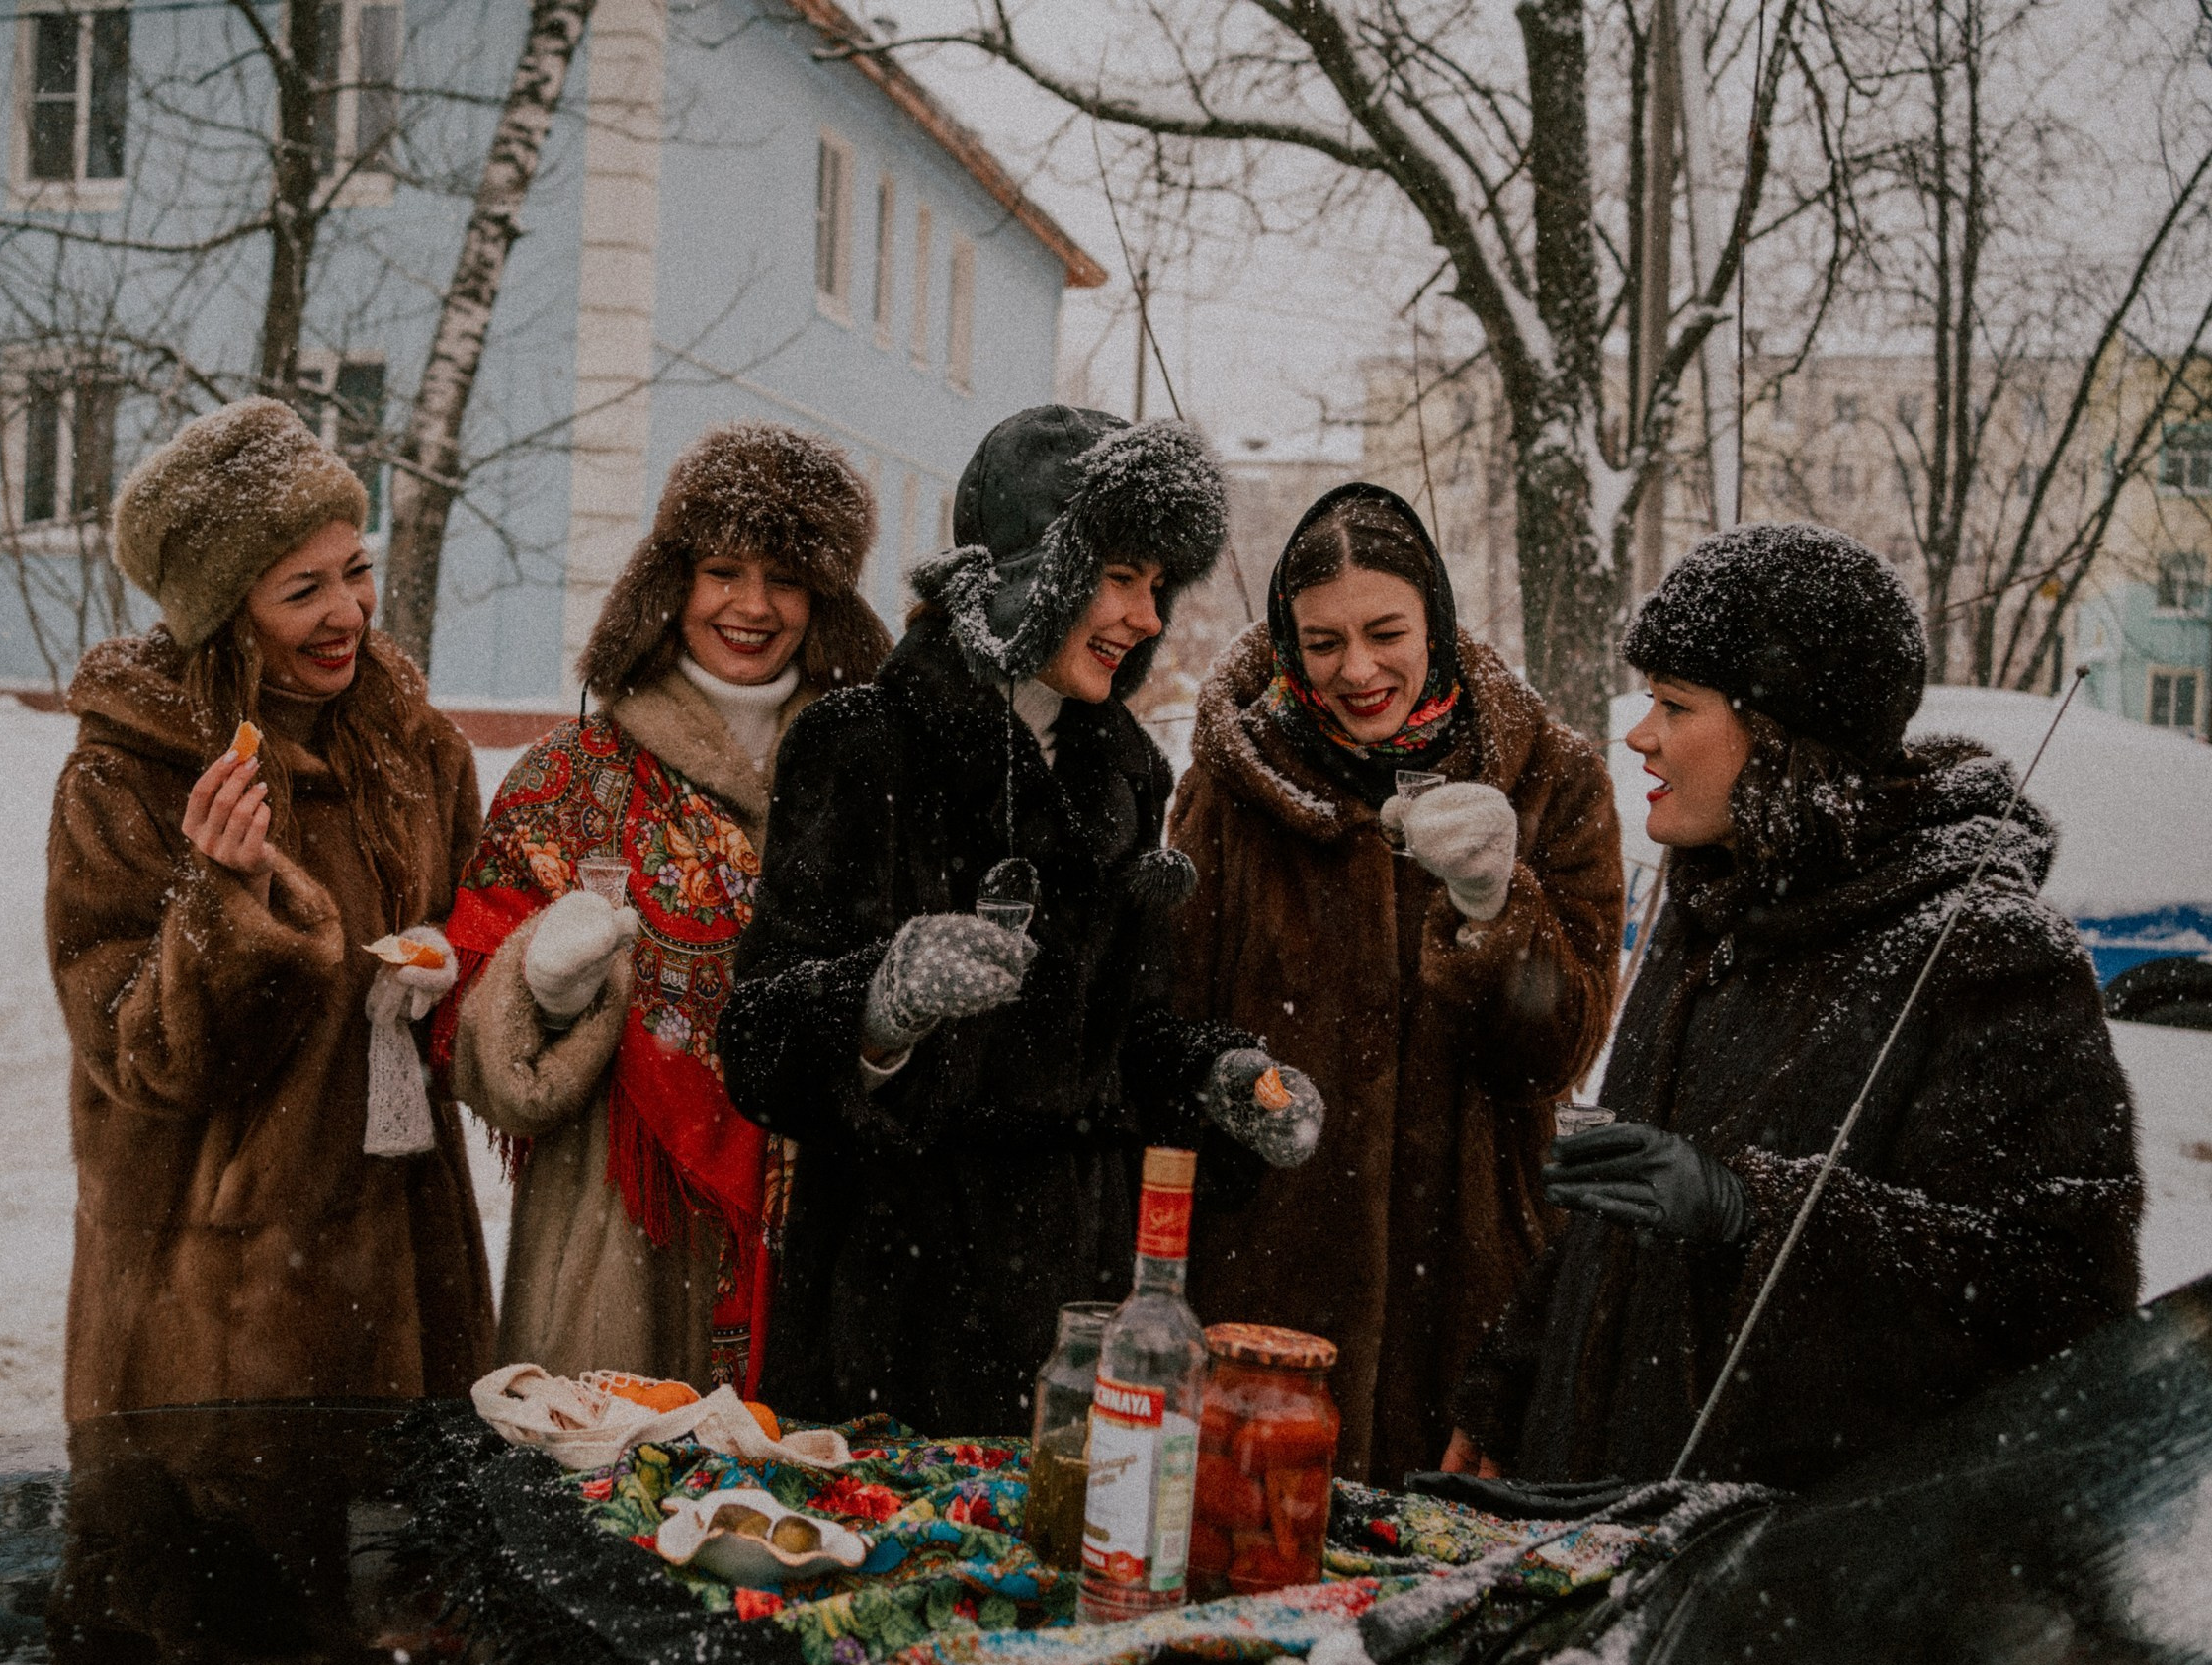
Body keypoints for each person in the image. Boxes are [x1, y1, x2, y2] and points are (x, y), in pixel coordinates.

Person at [1446, 524, 2143, 1490]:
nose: (1639, 733)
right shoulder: (1712, 901)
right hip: (1604, 1528)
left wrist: (1758, 1216)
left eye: (1674, 704)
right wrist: (1516, 1383)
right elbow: (1625, 1209)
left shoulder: (1986, 949)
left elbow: (2062, 1307)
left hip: (1789, 1585)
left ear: (1781, 736)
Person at [721, 405, 1326, 1436]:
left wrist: (1214, 1074)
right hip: (885, 1300)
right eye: (1122, 578)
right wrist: (881, 1001)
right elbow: (758, 1038)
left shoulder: (1130, 772)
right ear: (1029, 570)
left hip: (1069, 1311)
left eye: (1158, 587)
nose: (1146, 619)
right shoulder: (862, 742)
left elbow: (1126, 1037)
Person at [1167, 483, 1626, 1484]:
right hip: (1265, 1290)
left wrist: (1495, 911)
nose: (1357, 670)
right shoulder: (1231, 791)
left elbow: (1564, 1048)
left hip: (1470, 1294)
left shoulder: (1550, 777)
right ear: (1289, 643)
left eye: (1385, 631)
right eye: (1322, 641)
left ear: (1439, 623)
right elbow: (1174, 1035)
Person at [47, 397, 493, 1419]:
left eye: (356, 569)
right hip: (210, 1310)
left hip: (412, 1279)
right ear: (225, 613)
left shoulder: (420, 753)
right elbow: (142, 1061)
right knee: (228, 1573)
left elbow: (484, 957)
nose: (349, 613)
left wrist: (456, 961)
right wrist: (227, 909)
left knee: (408, 1563)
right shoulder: (127, 781)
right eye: (304, 589)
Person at [434, 422, 893, 1394]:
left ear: (828, 598)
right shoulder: (570, 777)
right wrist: (541, 987)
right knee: (603, 1522)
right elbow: (477, 1053)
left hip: (823, 1236)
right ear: (671, 581)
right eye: (724, 569)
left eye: (787, 576)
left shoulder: (880, 783)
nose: (753, 606)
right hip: (614, 1247)